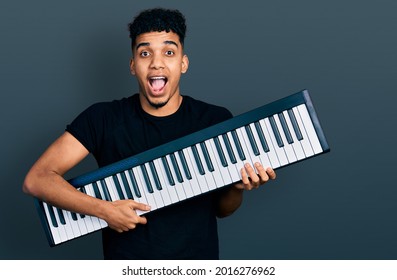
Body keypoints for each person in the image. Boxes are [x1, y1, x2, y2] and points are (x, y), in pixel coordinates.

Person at [22, 8, 276, 259]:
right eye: (145, 53)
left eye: (168, 52)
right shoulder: (103, 118)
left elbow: (223, 210)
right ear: (133, 65)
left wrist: (238, 187)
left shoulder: (215, 119)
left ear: (183, 63)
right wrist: (104, 210)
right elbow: (37, 179)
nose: (156, 63)